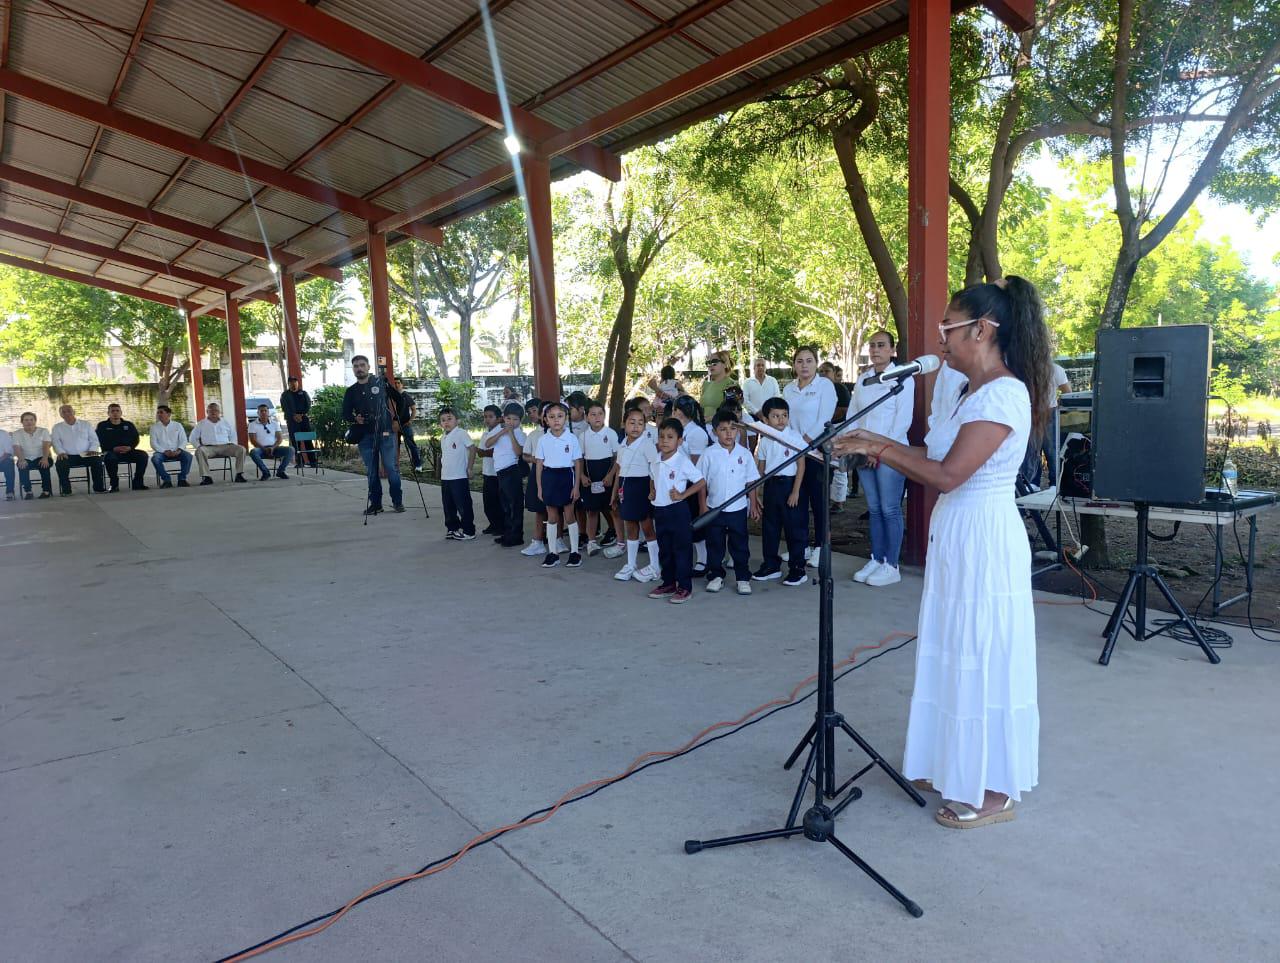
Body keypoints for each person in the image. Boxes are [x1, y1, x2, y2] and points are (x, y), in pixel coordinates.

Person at [834, 275, 1049, 830]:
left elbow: (951, 474)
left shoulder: (1006, 392)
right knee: (953, 648)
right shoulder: (957, 390)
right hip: (955, 533)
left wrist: (880, 446)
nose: (940, 339)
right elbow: (928, 457)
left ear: (982, 330)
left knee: (985, 652)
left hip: (986, 534)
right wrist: (872, 445)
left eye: (949, 327)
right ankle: (953, 762)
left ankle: (995, 787)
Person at [848, 330, 914, 587]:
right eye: (872, 345)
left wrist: (879, 450)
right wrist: (854, 445)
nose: (875, 350)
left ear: (892, 349)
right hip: (863, 453)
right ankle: (876, 558)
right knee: (874, 509)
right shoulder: (863, 379)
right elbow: (853, 415)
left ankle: (891, 564)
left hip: (891, 452)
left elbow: (902, 421)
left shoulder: (904, 378)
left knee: (890, 508)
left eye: (881, 345)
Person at [783, 346, 837, 565]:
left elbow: (825, 418)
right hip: (795, 454)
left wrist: (804, 441)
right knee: (799, 501)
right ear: (794, 364)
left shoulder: (825, 386)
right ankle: (802, 546)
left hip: (816, 453)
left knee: (819, 503)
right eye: (799, 361)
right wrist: (794, 444)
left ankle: (821, 548)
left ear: (816, 363)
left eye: (809, 361)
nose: (804, 365)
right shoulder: (788, 389)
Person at [699, 409, 761, 595]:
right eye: (723, 429)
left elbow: (751, 481)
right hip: (714, 508)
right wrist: (703, 505)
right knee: (715, 543)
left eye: (733, 429)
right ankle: (716, 575)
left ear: (738, 431)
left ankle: (743, 577)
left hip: (738, 509)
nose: (728, 433)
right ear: (715, 431)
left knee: (740, 544)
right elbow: (701, 482)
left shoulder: (745, 454)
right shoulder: (709, 454)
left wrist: (754, 505)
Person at [646, 418, 706, 604]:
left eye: (670, 437)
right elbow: (652, 477)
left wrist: (683, 495)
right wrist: (652, 490)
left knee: (681, 549)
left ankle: (684, 587)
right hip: (660, 510)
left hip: (678, 511)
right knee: (665, 549)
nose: (664, 441)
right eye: (661, 436)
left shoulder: (682, 461)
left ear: (679, 441)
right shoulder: (656, 459)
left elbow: (701, 481)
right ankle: (669, 583)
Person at [752, 397, 809, 587]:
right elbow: (761, 467)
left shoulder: (794, 437)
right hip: (771, 487)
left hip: (790, 486)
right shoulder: (765, 438)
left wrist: (795, 492)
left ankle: (797, 569)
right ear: (766, 420)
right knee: (770, 528)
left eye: (784, 415)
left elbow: (801, 464)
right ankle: (771, 565)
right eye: (775, 416)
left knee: (794, 529)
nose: (781, 420)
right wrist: (757, 493)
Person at [341, 355, 404, 514]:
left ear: (369, 367)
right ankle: (376, 504)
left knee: (391, 468)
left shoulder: (380, 383)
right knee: (372, 471)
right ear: (353, 369)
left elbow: (400, 400)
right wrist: (355, 418)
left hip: (385, 432)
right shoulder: (351, 391)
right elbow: (345, 413)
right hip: (365, 436)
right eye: (356, 366)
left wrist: (397, 419)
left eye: (362, 365)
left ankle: (398, 502)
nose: (359, 368)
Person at [612, 405, 661, 582]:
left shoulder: (647, 445)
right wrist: (615, 493)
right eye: (632, 422)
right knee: (630, 526)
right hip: (627, 487)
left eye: (640, 423)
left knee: (647, 527)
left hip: (642, 487)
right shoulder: (622, 445)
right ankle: (631, 564)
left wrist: (653, 488)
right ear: (624, 424)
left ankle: (655, 565)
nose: (636, 426)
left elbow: (654, 468)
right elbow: (619, 470)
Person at [534, 400, 584, 569]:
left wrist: (576, 486)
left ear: (565, 418)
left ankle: (575, 552)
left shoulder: (571, 438)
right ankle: (553, 553)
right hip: (549, 477)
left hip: (566, 476)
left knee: (569, 515)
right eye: (552, 417)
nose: (556, 420)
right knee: (552, 517)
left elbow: (577, 462)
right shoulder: (543, 440)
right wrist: (540, 487)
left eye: (560, 416)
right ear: (545, 419)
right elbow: (539, 464)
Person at [670, 394, 712, 574]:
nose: (673, 413)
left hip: (693, 484)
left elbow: (697, 468)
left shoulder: (696, 433)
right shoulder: (682, 430)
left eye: (676, 410)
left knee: (697, 524)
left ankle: (703, 560)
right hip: (681, 483)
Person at [580, 400, 621, 557]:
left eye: (600, 414)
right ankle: (591, 542)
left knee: (612, 508)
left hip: (607, 476)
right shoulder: (583, 436)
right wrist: (582, 475)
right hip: (591, 478)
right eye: (593, 414)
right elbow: (579, 459)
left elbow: (617, 457)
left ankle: (619, 540)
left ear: (605, 416)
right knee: (592, 511)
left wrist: (610, 475)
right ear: (587, 418)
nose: (597, 417)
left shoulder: (610, 433)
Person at [1021, 359, 1071, 488]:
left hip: (1036, 411)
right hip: (1045, 411)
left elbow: (1068, 393)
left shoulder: (1026, 369)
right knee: (1048, 449)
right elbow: (1068, 392)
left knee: (1035, 449)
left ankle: (1034, 483)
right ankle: (1052, 484)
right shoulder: (1055, 369)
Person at [437, 406, 476, 540]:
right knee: (448, 505)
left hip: (459, 476)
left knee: (463, 504)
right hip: (446, 477)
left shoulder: (461, 433)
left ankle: (468, 530)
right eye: (443, 420)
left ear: (457, 420)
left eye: (449, 419)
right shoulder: (443, 437)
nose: (446, 422)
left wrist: (470, 468)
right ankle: (452, 527)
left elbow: (472, 449)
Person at [520, 399, 552, 556]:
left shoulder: (565, 434)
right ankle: (537, 541)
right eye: (545, 413)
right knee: (540, 509)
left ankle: (557, 540)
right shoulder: (534, 435)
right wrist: (536, 460)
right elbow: (525, 455)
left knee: (558, 510)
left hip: (558, 475)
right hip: (539, 474)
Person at [493, 402, 526, 547]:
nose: (511, 422)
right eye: (509, 419)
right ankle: (508, 532)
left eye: (515, 419)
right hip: (500, 471)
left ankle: (516, 535)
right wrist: (501, 432)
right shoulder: (498, 431)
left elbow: (519, 452)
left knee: (515, 505)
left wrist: (511, 433)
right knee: (505, 505)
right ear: (503, 418)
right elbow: (487, 444)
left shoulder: (521, 434)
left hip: (512, 470)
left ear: (520, 421)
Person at [51, 404, 105, 495]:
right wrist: (61, 452)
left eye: (69, 410)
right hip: (68, 455)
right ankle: (66, 490)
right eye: (64, 412)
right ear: (61, 415)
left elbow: (94, 440)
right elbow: (56, 442)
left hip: (86, 454)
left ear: (74, 412)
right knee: (60, 464)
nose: (67, 413)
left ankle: (98, 488)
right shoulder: (57, 427)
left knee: (97, 460)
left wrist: (92, 450)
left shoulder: (85, 424)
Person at [190, 403, 248, 485]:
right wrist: (199, 446)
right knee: (199, 451)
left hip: (225, 446)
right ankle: (206, 477)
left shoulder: (225, 422)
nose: (214, 412)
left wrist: (233, 444)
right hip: (209, 448)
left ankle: (239, 474)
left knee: (241, 449)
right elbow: (192, 438)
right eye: (211, 411)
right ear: (207, 412)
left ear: (219, 412)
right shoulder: (201, 423)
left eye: (216, 410)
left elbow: (233, 435)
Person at [95, 403, 149, 492]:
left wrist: (130, 447)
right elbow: (99, 441)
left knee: (143, 455)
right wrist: (113, 448)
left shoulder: (129, 424)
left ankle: (138, 483)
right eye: (112, 411)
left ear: (121, 412)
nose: (115, 413)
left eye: (117, 411)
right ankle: (114, 485)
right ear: (108, 413)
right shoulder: (102, 426)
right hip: (110, 452)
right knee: (110, 458)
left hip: (128, 451)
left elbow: (136, 439)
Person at [477, 404, 504, 535]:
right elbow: (481, 451)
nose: (487, 419)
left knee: (498, 501)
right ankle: (493, 524)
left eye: (490, 417)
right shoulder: (486, 433)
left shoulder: (501, 432)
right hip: (487, 471)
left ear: (499, 419)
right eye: (485, 417)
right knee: (488, 502)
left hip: (497, 472)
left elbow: (493, 451)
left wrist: (483, 452)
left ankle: (500, 526)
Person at [12, 412, 53, 499]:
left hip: (42, 457)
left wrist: (45, 458)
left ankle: (46, 491)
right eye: (26, 420)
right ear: (22, 422)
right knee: (22, 466)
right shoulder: (17, 433)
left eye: (31, 420)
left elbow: (46, 446)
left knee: (44, 465)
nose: (29, 422)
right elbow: (16, 448)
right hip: (25, 458)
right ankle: (28, 491)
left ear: (35, 421)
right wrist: (21, 460)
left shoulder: (43, 431)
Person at [149, 405, 192, 488]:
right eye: (158, 413)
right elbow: (153, 443)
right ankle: (166, 480)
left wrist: (179, 450)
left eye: (161, 412)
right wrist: (165, 451)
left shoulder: (177, 425)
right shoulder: (154, 427)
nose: (159, 414)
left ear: (168, 414)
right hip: (162, 452)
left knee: (188, 456)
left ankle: (182, 479)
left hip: (177, 451)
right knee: (155, 459)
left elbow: (183, 440)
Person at [247, 404, 293, 480]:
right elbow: (253, 441)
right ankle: (266, 473)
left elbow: (279, 439)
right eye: (261, 411)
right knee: (253, 452)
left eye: (266, 411)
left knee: (291, 449)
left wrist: (272, 447)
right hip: (261, 449)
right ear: (258, 413)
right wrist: (264, 449)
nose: (264, 413)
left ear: (268, 412)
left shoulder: (275, 423)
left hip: (274, 448)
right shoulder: (252, 425)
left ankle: (281, 471)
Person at [280, 376, 317, 468]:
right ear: (288, 384)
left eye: (295, 382)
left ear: (298, 383)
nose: (293, 384)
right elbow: (285, 408)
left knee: (308, 440)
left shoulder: (303, 393)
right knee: (296, 442)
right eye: (291, 382)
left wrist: (301, 414)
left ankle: (313, 461)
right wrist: (294, 415)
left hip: (303, 419)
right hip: (292, 420)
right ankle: (300, 462)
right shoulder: (285, 395)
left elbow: (308, 405)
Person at [392, 377, 422, 471]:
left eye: (398, 383)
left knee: (411, 445)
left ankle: (418, 465)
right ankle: (395, 466)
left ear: (402, 385)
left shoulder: (406, 396)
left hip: (405, 425)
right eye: (395, 383)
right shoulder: (392, 396)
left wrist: (410, 420)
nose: (397, 385)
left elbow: (414, 409)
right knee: (394, 446)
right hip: (395, 425)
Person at [698, 351, 738, 421]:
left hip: (721, 427)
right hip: (703, 427)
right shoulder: (706, 385)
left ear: (725, 364)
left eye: (714, 362)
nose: (710, 365)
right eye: (708, 363)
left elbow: (732, 412)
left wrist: (709, 418)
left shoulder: (731, 384)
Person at [0, 426, 14, 500]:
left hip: (3, 460)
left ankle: (10, 492)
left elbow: (8, 452)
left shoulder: (3, 434)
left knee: (9, 463)